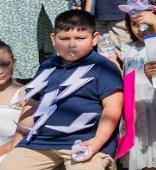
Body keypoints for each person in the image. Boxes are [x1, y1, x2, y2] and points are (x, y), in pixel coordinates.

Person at [4, 10, 123, 170]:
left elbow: (113, 108)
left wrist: (97, 142)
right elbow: (32, 104)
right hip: (40, 141)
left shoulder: (104, 67)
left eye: (80, 38)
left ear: (94, 38)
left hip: (86, 141)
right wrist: (18, 142)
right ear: (53, 39)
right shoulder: (47, 67)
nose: (71, 44)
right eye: (64, 39)